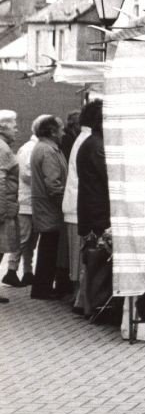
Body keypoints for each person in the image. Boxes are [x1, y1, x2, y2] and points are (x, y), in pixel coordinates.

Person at [77, 101, 111, 315]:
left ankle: (86, 304)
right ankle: (94, 305)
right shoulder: (97, 145)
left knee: (92, 260)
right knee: (97, 259)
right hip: (97, 210)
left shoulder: (91, 142)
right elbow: (109, 176)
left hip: (90, 208)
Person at [4, 115, 46, 288]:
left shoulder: (33, 147)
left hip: (31, 202)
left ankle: (27, 272)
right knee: (23, 238)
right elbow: (25, 174)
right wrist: (44, 179)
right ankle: (12, 270)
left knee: (31, 240)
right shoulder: (30, 148)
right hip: (26, 201)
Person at [30, 115, 68, 299]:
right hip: (50, 208)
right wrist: (64, 205)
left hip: (44, 206)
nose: (63, 132)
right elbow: (53, 184)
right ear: (52, 131)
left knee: (47, 246)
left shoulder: (43, 148)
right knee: (49, 248)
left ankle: (41, 287)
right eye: (60, 129)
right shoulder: (49, 151)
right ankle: (42, 288)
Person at [62, 104, 94, 313]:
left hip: (74, 206)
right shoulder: (88, 141)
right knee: (82, 257)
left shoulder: (81, 139)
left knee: (78, 257)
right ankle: (79, 299)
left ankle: (78, 297)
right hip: (79, 206)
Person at [0, 110, 19, 303]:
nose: (17, 129)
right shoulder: (2, 148)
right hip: (3, 209)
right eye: (14, 126)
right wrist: (3, 211)